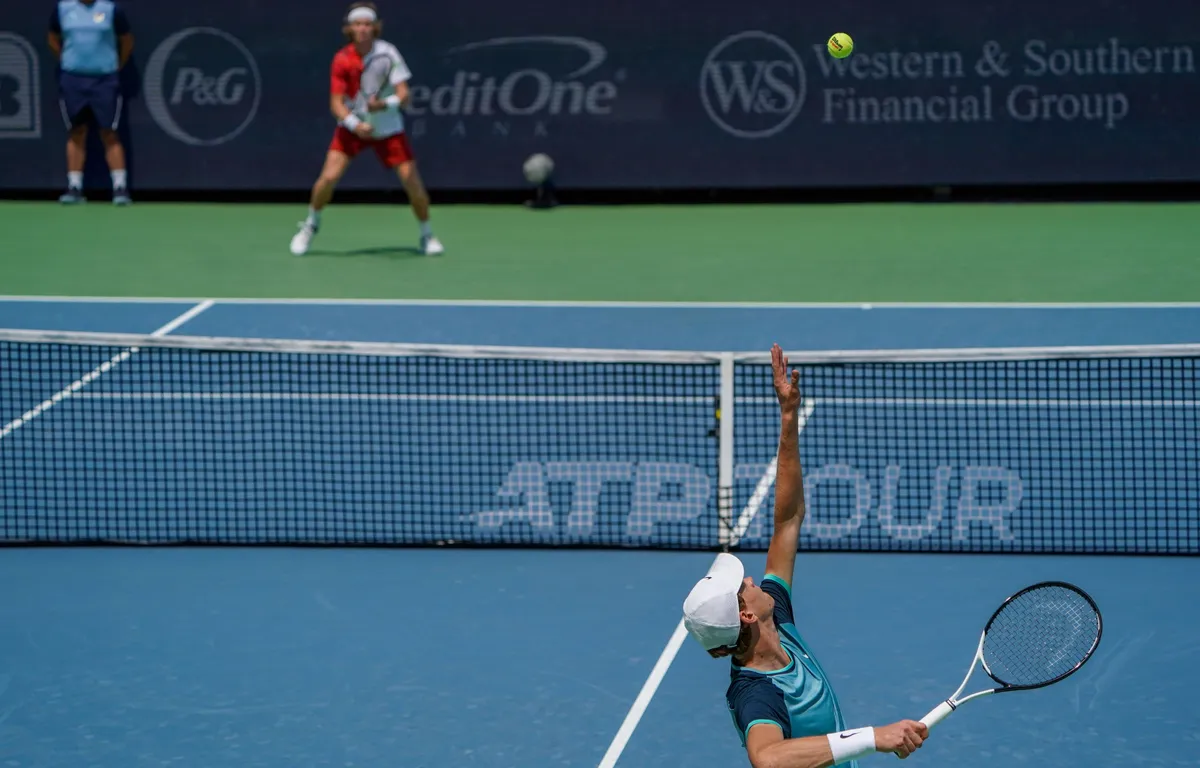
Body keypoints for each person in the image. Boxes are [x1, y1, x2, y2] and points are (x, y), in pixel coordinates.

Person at [681, 344, 930, 768]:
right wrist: (873, 737)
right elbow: (769, 759)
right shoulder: (755, 693)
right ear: (744, 615)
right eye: (743, 586)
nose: (752, 581)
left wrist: (788, 418)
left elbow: (788, 520)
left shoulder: (777, 618)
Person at [290, 2, 443, 256]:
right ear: (350, 29)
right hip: (352, 129)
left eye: (367, 24)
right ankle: (310, 225)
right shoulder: (341, 59)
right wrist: (355, 124)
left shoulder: (389, 53)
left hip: (389, 129)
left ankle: (427, 235)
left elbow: (405, 96)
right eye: (358, 24)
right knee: (327, 179)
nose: (362, 29)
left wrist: (383, 104)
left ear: (375, 28)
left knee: (412, 183)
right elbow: (335, 104)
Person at [47, 0, 134, 205]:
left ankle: (120, 188)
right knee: (76, 131)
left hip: (105, 80)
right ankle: (74, 187)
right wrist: (68, 61)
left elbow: (127, 40)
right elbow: (52, 38)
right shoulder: (63, 9)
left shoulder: (111, 10)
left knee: (109, 132)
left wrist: (115, 66)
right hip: (73, 80)